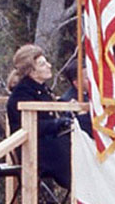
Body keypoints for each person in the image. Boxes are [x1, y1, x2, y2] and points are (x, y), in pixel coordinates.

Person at [6, 44, 71, 190]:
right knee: (68, 151)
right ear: (31, 71)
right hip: (33, 149)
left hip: (50, 144)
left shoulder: (43, 89)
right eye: (42, 64)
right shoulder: (22, 94)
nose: (49, 65)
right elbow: (28, 127)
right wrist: (58, 123)